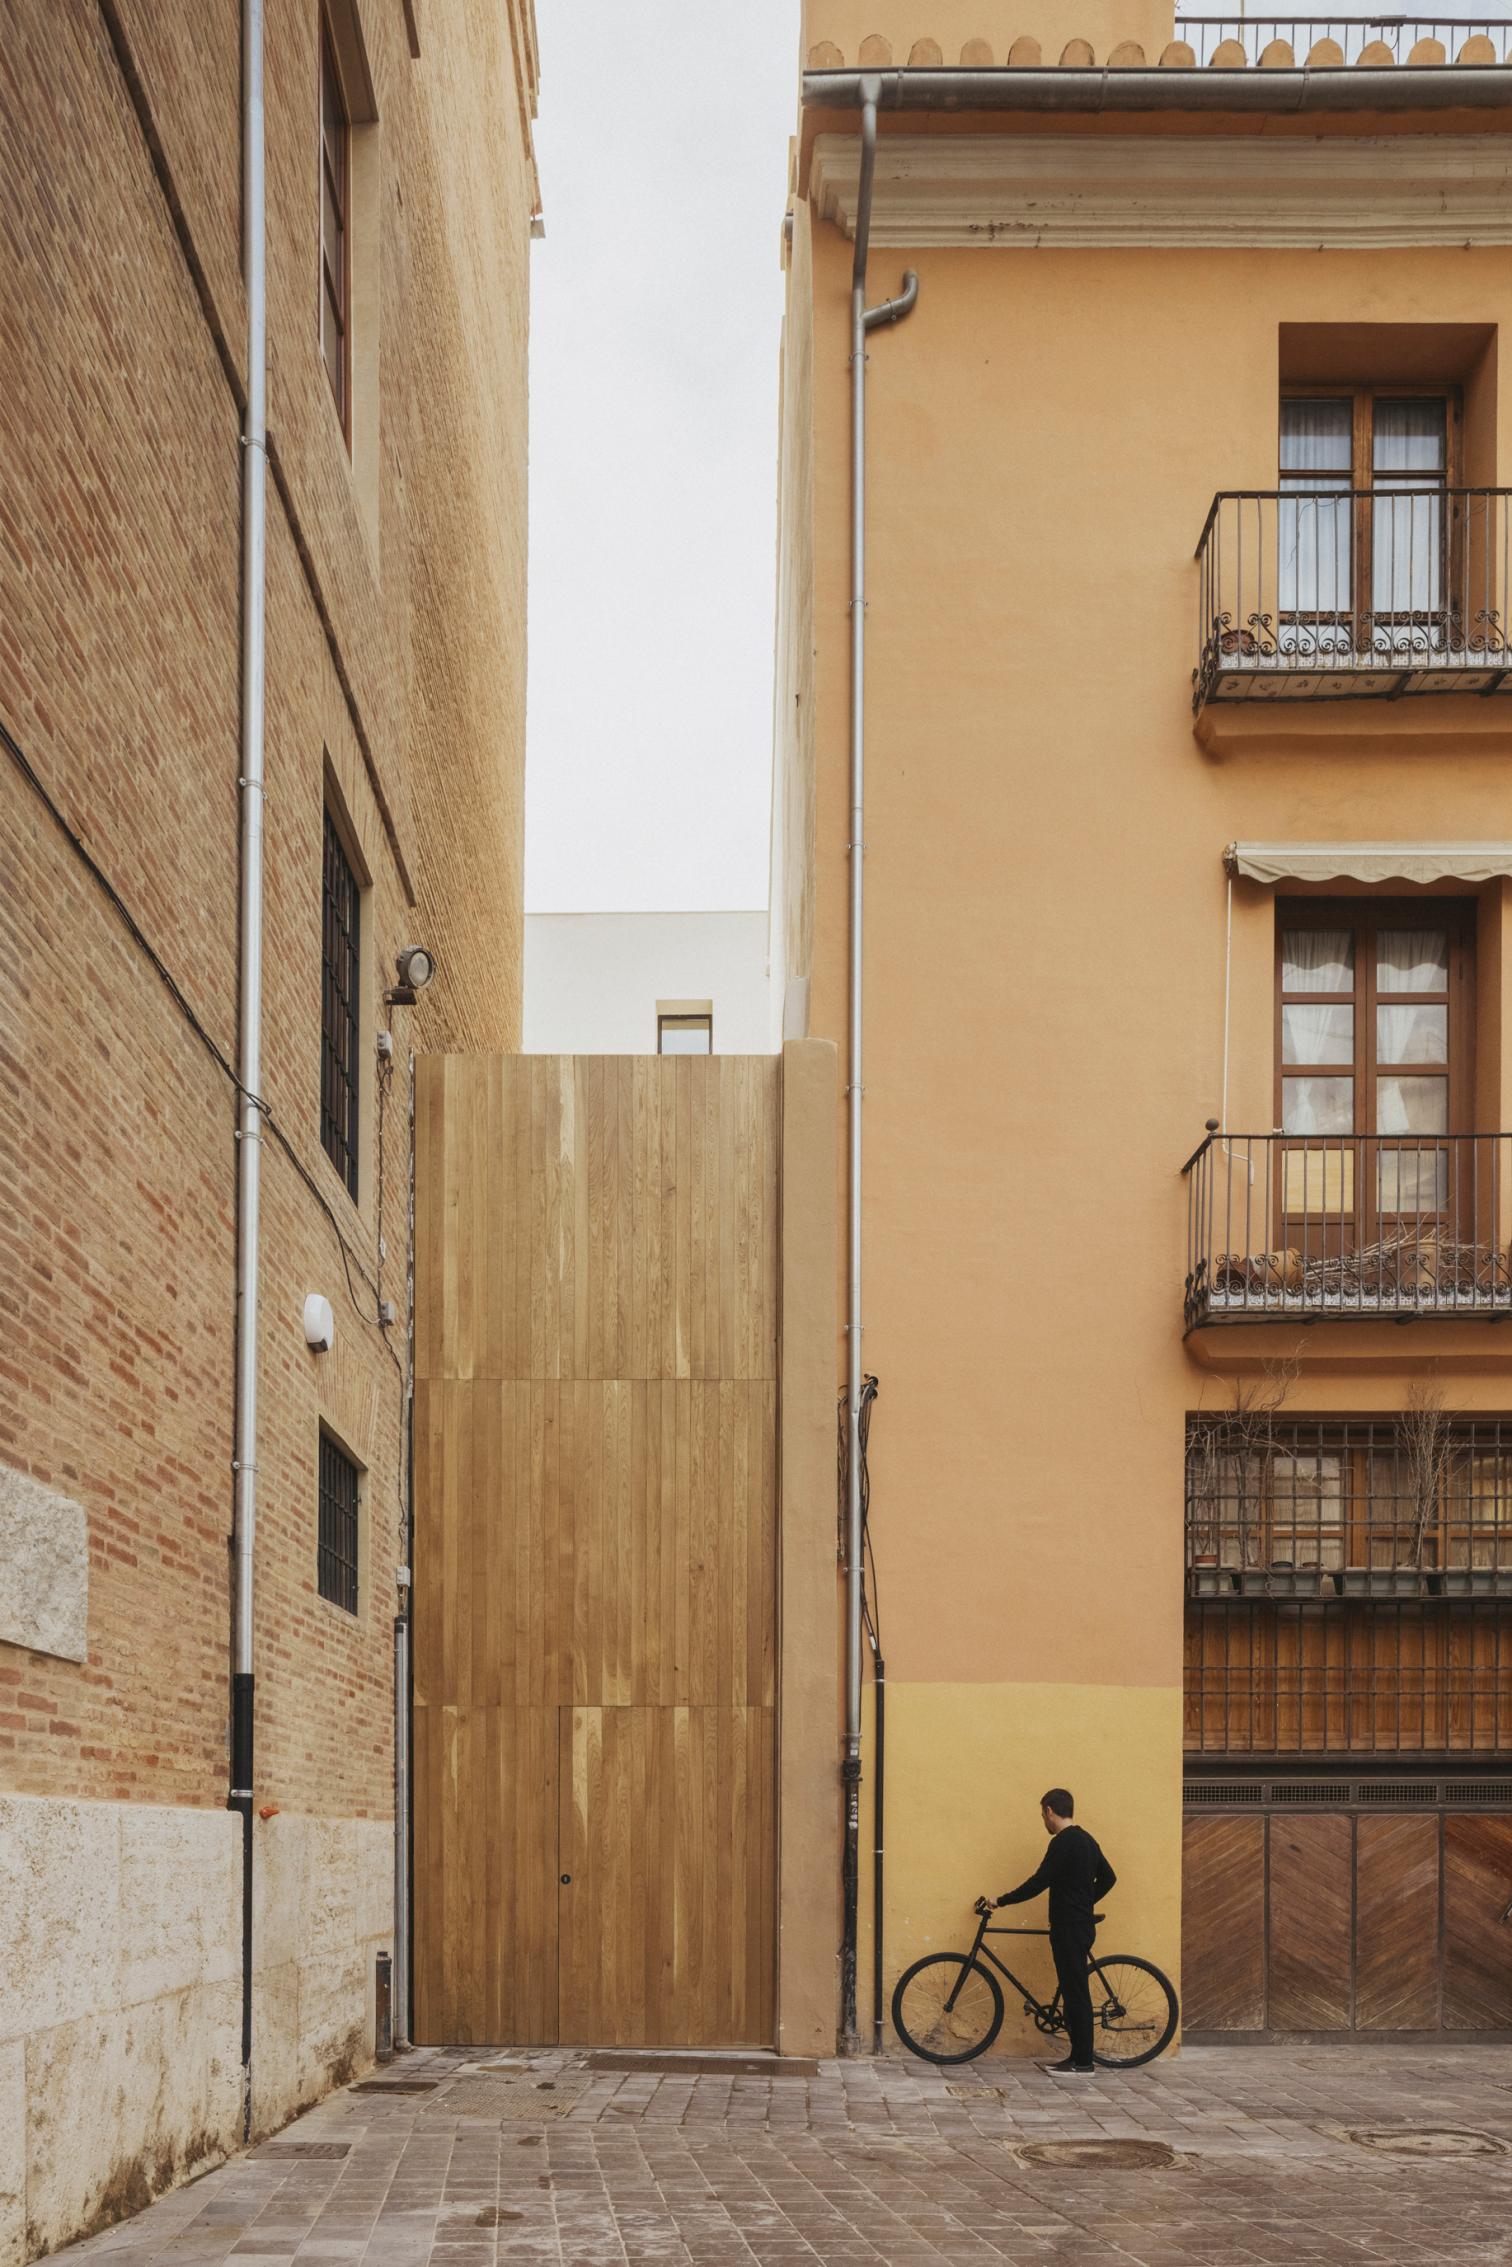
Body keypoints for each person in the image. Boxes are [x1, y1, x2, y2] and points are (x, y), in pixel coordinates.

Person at [988, 1788, 1115, 2074]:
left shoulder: (1063, 1843)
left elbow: (1039, 1882)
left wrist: (1001, 1900)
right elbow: (1109, 1877)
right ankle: (1077, 2058)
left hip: (1069, 1926)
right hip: (1078, 1924)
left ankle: (1083, 2063)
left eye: (1042, 1815)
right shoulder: (1087, 1840)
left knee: (1076, 1993)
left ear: (1049, 1811)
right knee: (1073, 1992)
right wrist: (1086, 1901)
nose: (1043, 1821)